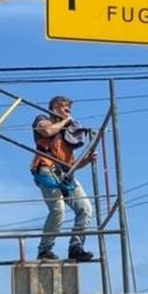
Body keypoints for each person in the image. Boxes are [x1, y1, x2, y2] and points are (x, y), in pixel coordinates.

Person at [30, 95, 94, 262]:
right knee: (58, 209)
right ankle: (44, 249)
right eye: (66, 110)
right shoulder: (43, 119)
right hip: (47, 169)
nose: (69, 114)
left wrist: (85, 161)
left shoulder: (67, 133)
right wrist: (65, 121)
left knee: (85, 208)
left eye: (69, 111)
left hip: (65, 175)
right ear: (55, 108)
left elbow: (71, 164)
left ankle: (76, 247)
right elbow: (47, 131)